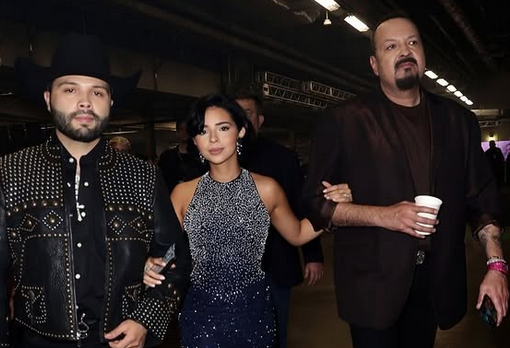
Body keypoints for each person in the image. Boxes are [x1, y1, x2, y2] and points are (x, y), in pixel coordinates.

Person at [301, 15, 508, 348]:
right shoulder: (344, 121)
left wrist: (496, 266)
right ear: (374, 64)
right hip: (371, 285)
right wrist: (384, 215)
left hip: (434, 283)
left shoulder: (458, 121)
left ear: (423, 55)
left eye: (413, 43)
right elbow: (313, 203)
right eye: (391, 46)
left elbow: (482, 202)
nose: (405, 51)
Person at [0, 33, 190, 348]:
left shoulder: (143, 176)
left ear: (110, 102)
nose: (85, 101)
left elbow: (176, 258)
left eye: (97, 92)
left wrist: (146, 319)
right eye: (70, 89)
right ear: (48, 97)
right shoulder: (10, 171)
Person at [144, 94, 351, 347]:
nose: (213, 139)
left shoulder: (267, 189)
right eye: (203, 131)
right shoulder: (182, 193)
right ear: (195, 140)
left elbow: (297, 233)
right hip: (200, 316)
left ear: (241, 131)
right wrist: (150, 265)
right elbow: (168, 252)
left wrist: (331, 207)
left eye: (223, 128)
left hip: (254, 315)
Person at [235, 91, 324, 348]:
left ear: (260, 120)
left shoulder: (282, 158)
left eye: (247, 113)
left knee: (274, 334)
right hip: (227, 272)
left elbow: (300, 206)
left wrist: (313, 255)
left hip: (275, 262)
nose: (240, 119)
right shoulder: (210, 165)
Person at [158, 120, 207, 191]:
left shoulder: (200, 155)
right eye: (181, 129)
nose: (184, 132)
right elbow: (162, 180)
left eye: (187, 129)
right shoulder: (167, 156)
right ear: (177, 132)